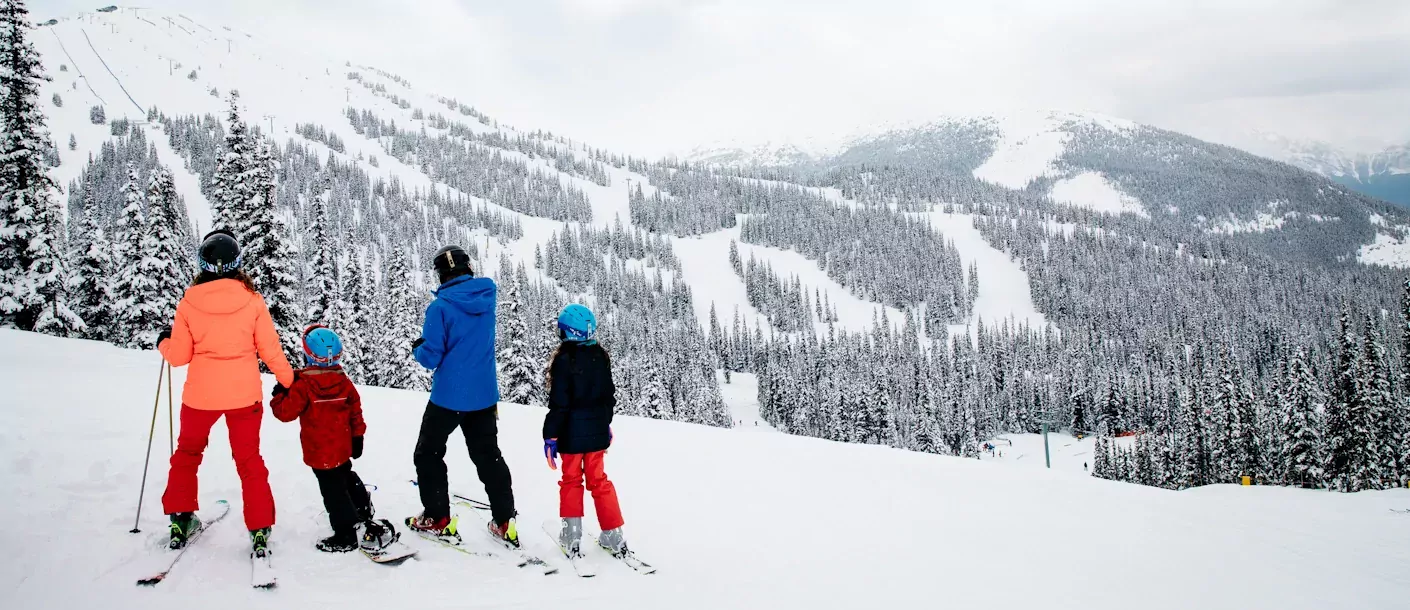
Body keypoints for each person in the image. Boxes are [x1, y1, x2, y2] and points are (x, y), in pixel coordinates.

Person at [157, 230, 294, 556]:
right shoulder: (252, 301)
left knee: (187, 455)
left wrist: (164, 341)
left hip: (200, 397)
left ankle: (181, 518)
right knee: (249, 460)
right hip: (244, 397)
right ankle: (260, 527)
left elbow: (179, 357)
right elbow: (270, 350)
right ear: (237, 263)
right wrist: (288, 381)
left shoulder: (189, 303)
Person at [405, 245, 518, 546]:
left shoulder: (440, 308)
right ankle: (505, 520)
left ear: (441, 274)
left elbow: (430, 357)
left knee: (428, 453)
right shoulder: (486, 299)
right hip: (484, 395)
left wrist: (418, 347)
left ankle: (437, 516)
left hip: (449, 397)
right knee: (488, 455)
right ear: (468, 267)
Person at [271, 324, 398, 553]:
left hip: (319, 451)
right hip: (342, 446)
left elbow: (284, 413)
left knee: (333, 493)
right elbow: (355, 410)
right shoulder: (342, 381)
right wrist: (358, 436)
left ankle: (345, 534)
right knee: (346, 476)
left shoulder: (304, 387)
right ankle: (362, 508)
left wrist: (279, 395)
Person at [542, 304, 631, 557]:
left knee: (571, 480)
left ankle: (572, 536)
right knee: (599, 481)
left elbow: (560, 403)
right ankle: (613, 535)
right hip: (596, 435)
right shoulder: (600, 356)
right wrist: (605, 424)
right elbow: (608, 397)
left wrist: (550, 436)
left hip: (571, 435)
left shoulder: (563, 360)